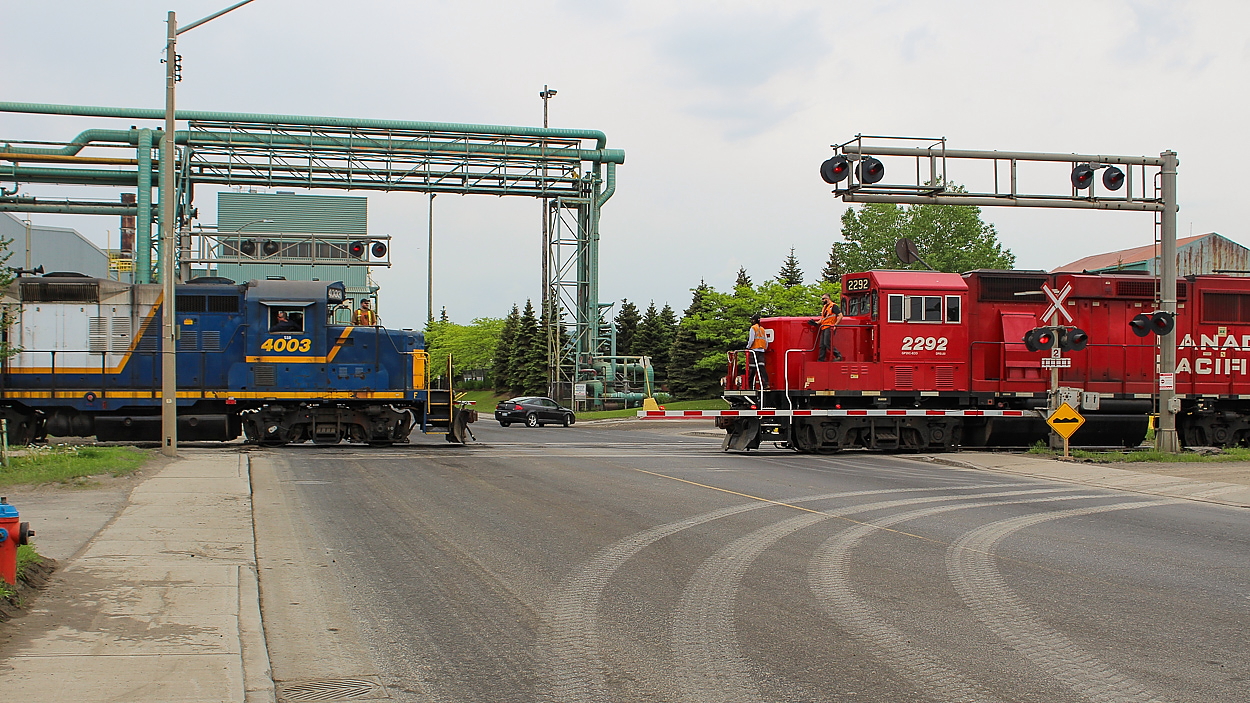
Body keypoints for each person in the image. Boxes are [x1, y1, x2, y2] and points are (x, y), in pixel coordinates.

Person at [814, 293, 843, 361]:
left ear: (828, 299)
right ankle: (821, 359)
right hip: (824, 327)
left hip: (830, 327)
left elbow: (840, 316)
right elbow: (824, 318)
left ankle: (838, 355)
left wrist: (835, 325)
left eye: (823, 299)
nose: (822, 300)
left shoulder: (833, 306)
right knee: (822, 345)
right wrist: (816, 323)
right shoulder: (825, 308)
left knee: (827, 343)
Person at [746, 313, 770, 390]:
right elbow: (766, 341)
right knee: (761, 367)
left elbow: (751, 340)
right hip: (761, 350)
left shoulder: (753, 328)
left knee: (752, 368)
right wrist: (764, 348)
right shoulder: (762, 329)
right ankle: (766, 383)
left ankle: (749, 386)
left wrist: (748, 347)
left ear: (754, 320)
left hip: (754, 350)